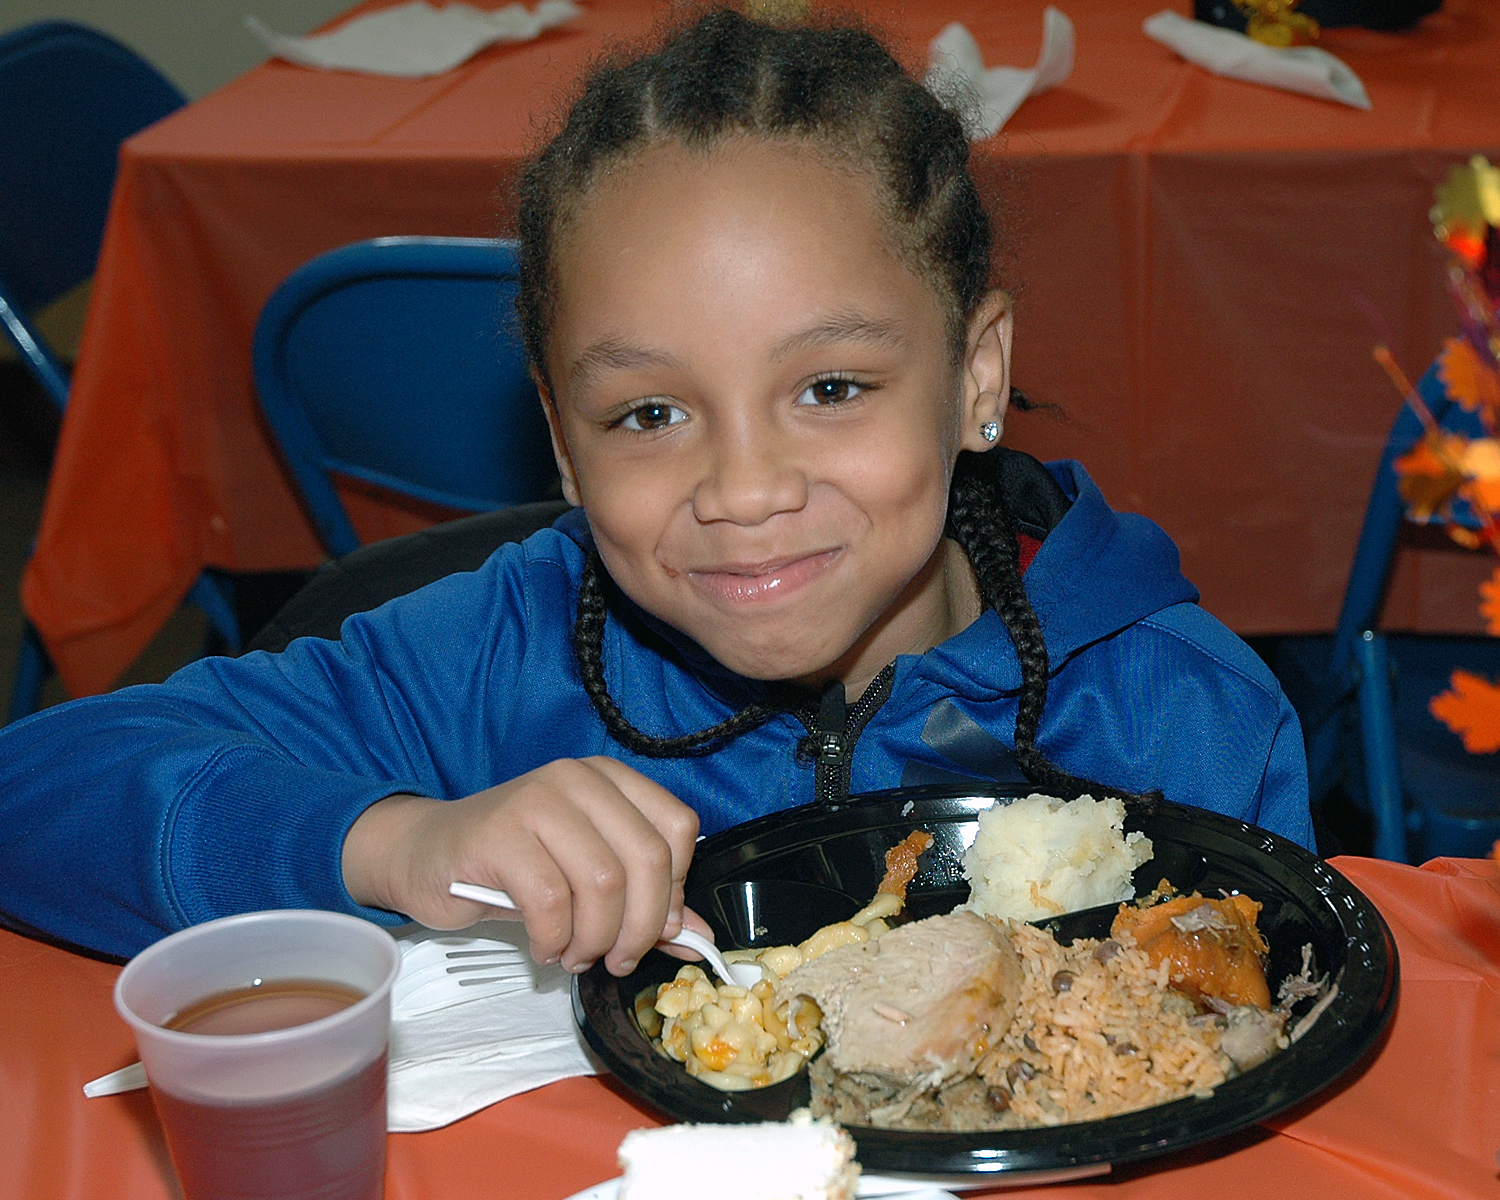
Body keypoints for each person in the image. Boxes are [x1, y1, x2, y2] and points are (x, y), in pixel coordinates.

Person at [0, 10, 1310, 972]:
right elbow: (38, 788)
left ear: (977, 376)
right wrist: (397, 843)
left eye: (832, 388)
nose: (742, 489)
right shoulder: (491, 660)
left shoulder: (1183, 721)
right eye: (649, 414)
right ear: (563, 446)